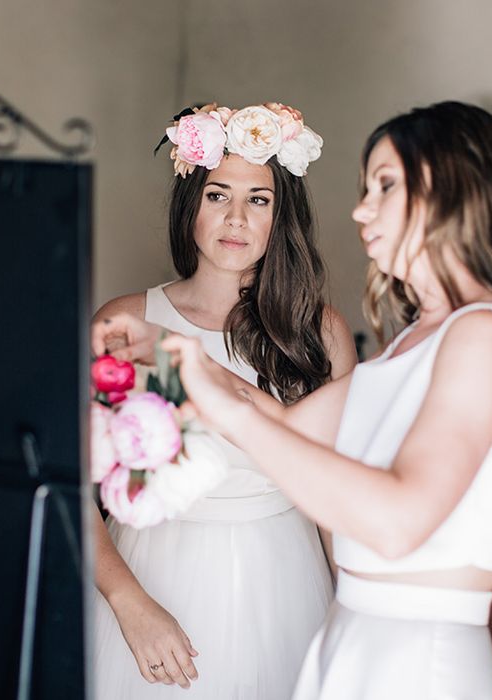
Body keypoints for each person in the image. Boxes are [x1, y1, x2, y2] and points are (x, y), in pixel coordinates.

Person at [95, 100, 492, 699]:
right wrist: (170, 354)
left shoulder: (482, 335)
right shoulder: (417, 342)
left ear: (455, 195)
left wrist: (205, 385)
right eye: (365, 187)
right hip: (354, 645)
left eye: (385, 186)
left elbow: (397, 523)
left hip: (415, 661)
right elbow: (292, 433)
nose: (360, 209)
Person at [92, 102, 357, 700]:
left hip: (288, 585)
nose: (235, 218)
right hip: (152, 576)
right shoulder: (125, 323)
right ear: (192, 201)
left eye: (258, 200)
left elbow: (338, 497)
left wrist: (354, 611)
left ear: (280, 215)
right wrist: (129, 603)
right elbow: (68, 488)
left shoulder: (319, 333)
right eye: (218, 195)